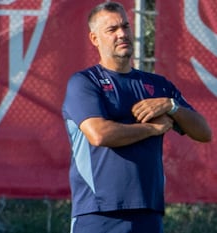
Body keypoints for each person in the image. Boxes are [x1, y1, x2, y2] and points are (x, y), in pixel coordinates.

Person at [62, 2, 212, 233]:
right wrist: (152, 129)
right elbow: (99, 134)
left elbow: (204, 132)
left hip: (148, 213)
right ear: (94, 39)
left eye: (125, 26)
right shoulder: (84, 82)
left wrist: (172, 107)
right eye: (112, 30)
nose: (122, 34)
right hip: (97, 213)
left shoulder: (157, 86)